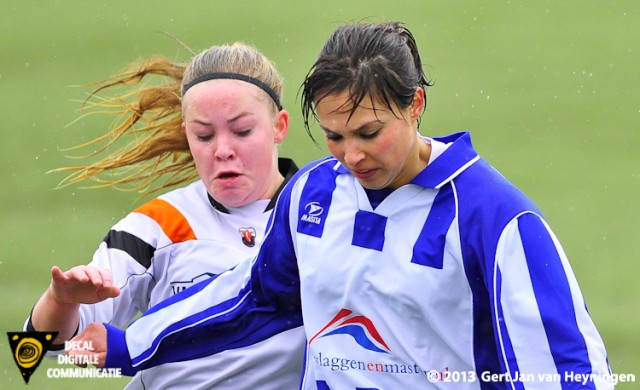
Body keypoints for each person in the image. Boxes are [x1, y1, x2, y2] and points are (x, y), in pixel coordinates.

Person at [69, 21, 613, 389]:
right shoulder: (312, 192)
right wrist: (127, 345)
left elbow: (566, 372)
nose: (350, 156)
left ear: (416, 104)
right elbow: (254, 299)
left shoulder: (496, 220)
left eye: (369, 133)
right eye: (332, 136)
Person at [26, 42, 306, 389]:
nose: (222, 151)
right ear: (187, 133)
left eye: (242, 131)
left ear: (279, 126)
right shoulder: (158, 225)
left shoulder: (323, 215)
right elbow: (45, 351)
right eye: (203, 135)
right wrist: (61, 302)